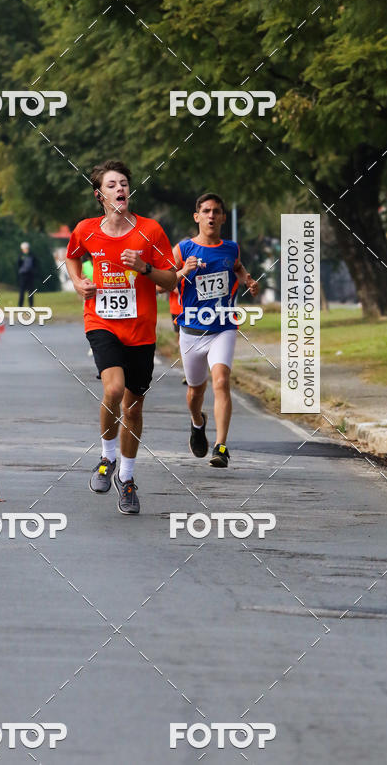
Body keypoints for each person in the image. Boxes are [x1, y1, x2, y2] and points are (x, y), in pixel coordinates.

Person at [65, 160, 177, 515]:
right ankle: (106, 457)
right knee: (113, 389)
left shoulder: (150, 231)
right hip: (101, 322)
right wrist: (78, 281)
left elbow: (172, 281)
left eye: (124, 183)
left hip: (141, 330)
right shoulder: (86, 229)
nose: (120, 189)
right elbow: (72, 257)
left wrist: (143, 268)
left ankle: (126, 480)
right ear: (100, 195)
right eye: (112, 185)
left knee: (133, 406)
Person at [174, 193, 259, 468]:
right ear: (197, 217)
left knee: (221, 381)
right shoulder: (184, 249)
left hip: (223, 326)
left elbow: (236, 267)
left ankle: (221, 446)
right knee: (195, 394)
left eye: (216, 211)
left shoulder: (231, 247)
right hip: (191, 331)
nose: (211, 216)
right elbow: (161, 282)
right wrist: (182, 271)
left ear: (223, 217)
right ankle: (198, 423)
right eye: (206, 211)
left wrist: (246, 279)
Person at [16, 241, 37, 306]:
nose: (26, 250)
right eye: (25, 248)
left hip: (30, 275)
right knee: (22, 291)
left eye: (27, 248)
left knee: (31, 291)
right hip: (23, 275)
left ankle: (31, 305)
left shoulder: (32, 256)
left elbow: (35, 264)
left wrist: (34, 271)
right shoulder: (20, 256)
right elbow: (18, 265)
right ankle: (20, 305)